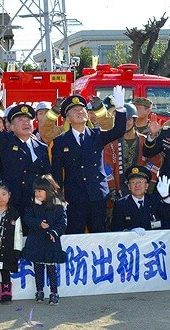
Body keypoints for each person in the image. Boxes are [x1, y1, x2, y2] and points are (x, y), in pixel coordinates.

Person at [50, 89, 127, 234]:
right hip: (74, 197)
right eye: (74, 110)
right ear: (67, 118)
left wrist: (120, 109)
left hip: (97, 195)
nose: (80, 112)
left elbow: (118, 131)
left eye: (82, 109)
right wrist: (58, 198)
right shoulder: (60, 141)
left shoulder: (96, 135)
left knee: (99, 234)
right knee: (75, 234)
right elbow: (57, 173)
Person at [0, 97, 51, 216]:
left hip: (35, 204)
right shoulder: (7, 141)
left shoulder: (42, 147)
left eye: (28, 120)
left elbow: (47, 175)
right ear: (12, 126)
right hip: (12, 203)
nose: (26, 123)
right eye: (20, 120)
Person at [22, 175, 67, 305]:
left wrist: (54, 231)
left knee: (52, 270)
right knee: (38, 268)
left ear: (48, 190)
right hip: (36, 242)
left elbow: (62, 223)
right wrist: (38, 223)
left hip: (51, 243)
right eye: (35, 191)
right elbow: (27, 218)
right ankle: (39, 291)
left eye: (40, 191)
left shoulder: (58, 205)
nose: (37, 194)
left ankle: (54, 293)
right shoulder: (32, 205)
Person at [110, 167, 170, 233]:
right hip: (132, 243)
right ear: (129, 186)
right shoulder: (121, 204)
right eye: (133, 182)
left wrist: (166, 197)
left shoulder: (154, 200)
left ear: (146, 186)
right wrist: (129, 232)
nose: (137, 185)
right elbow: (116, 229)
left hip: (154, 242)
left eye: (140, 182)